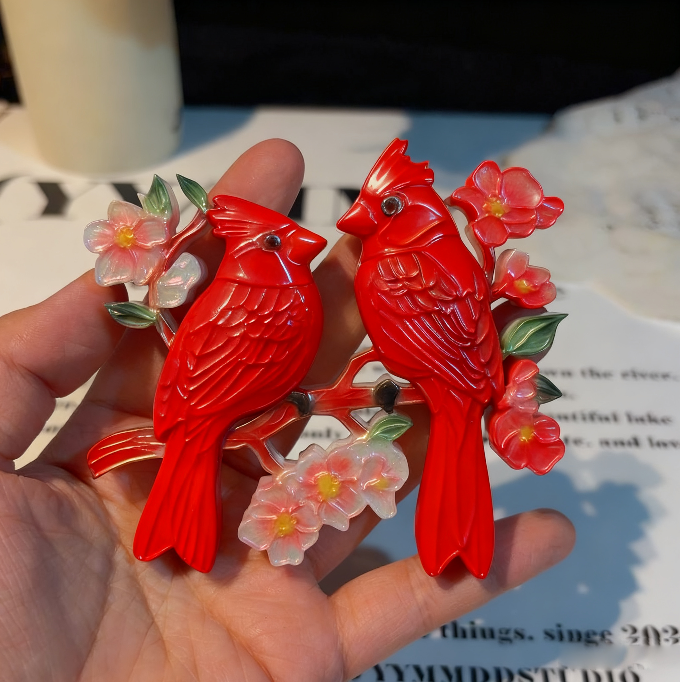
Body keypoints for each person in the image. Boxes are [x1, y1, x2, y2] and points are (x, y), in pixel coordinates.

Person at [0, 139, 574, 681]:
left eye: (388, 206)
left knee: (443, 441)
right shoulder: (314, 287)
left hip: (425, 379)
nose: (315, 239)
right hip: (289, 397)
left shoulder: (400, 264)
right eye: (277, 244)